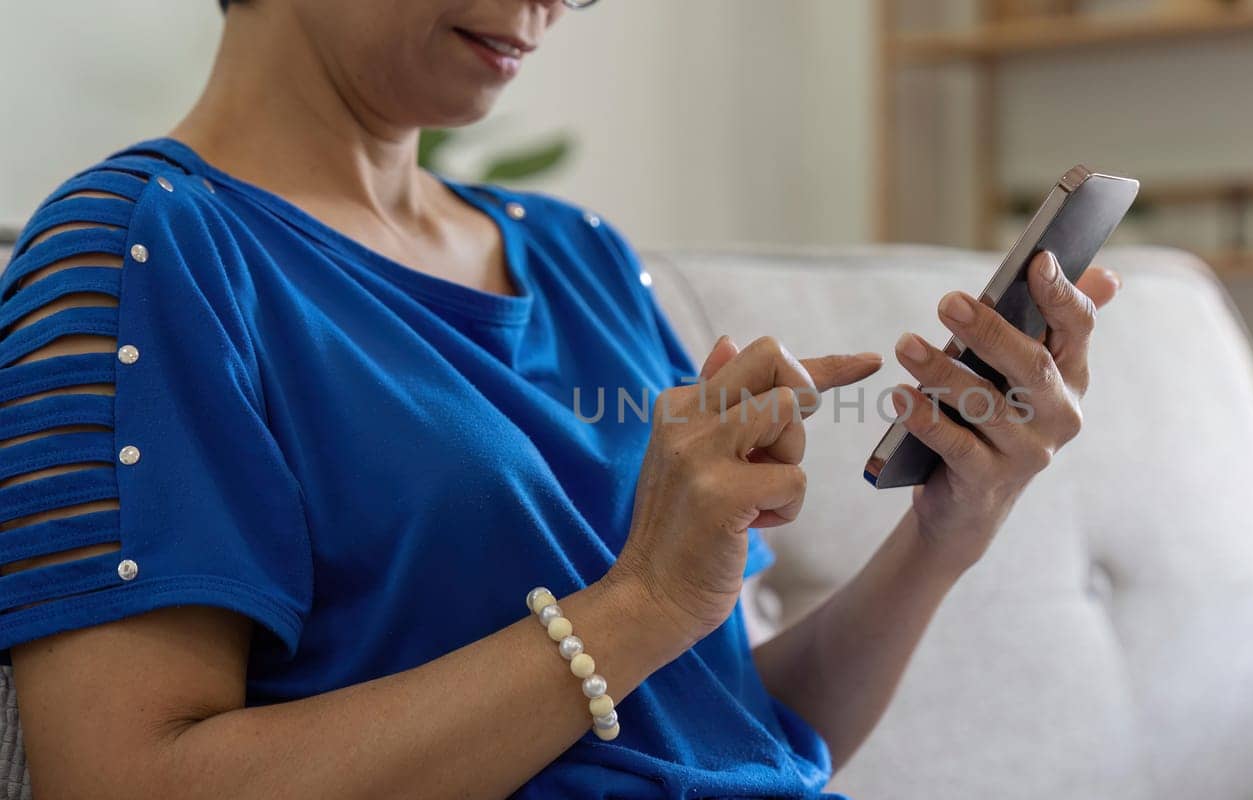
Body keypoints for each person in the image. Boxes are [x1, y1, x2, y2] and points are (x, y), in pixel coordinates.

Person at [0, 0, 1120, 797]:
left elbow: (731, 720)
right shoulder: (139, 251)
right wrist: (635, 603)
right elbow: (124, 777)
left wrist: (944, 534)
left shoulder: (585, 257)